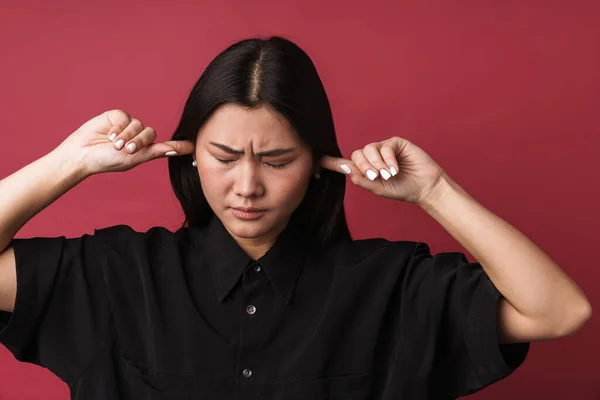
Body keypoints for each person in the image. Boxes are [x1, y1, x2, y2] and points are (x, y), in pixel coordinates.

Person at [0, 36, 591, 400]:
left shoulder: (393, 286)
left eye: (278, 160)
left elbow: (561, 311)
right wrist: (67, 163)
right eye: (225, 158)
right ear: (187, 155)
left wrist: (435, 191)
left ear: (316, 164)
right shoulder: (115, 273)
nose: (248, 186)